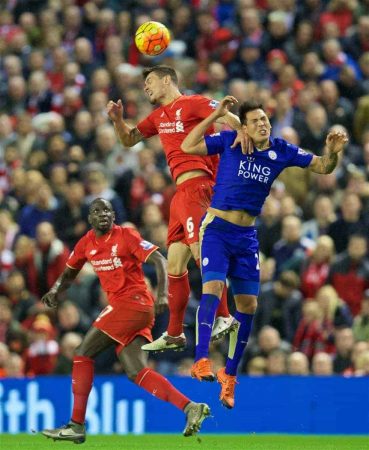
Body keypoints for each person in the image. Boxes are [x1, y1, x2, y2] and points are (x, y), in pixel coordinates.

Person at [181, 95, 347, 409]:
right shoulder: (230, 140)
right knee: (214, 288)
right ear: (244, 127)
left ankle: (229, 376)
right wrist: (215, 115)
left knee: (249, 304)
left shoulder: (281, 150)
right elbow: (189, 146)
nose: (263, 124)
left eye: (265, 120)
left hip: (246, 236)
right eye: (256, 120)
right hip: (217, 227)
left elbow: (323, 167)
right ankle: (201, 359)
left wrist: (333, 153)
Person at [41, 198, 210, 443]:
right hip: (131, 311)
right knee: (136, 371)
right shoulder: (86, 242)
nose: (103, 214)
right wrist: (56, 290)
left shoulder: (126, 236)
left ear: (114, 215)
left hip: (132, 304)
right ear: (90, 219)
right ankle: (190, 407)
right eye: (97, 211)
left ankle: (76, 424)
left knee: (81, 353)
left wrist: (163, 293)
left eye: (108, 210)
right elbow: (69, 272)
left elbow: (160, 260)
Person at [107, 65, 248, 352]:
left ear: (167, 80)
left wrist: (243, 133)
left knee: (202, 252)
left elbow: (228, 117)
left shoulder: (193, 103)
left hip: (198, 186)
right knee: (174, 264)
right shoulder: (158, 117)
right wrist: (118, 121)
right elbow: (129, 139)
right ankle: (174, 333)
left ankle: (224, 316)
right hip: (180, 194)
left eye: (150, 81)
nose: (146, 87)